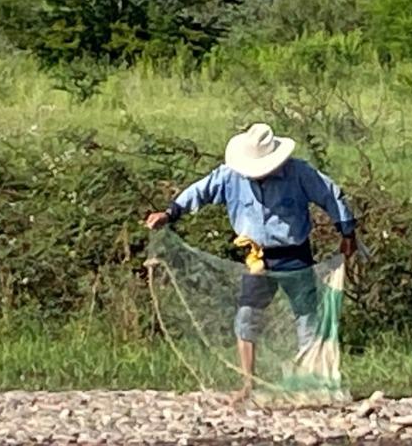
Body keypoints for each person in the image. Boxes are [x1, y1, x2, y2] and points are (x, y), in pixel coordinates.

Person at [146, 124, 358, 397]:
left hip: (295, 256)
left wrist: (347, 231)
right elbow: (199, 191)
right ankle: (248, 383)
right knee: (246, 318)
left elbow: (330, 194)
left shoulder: (298, 173)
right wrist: (169, 213)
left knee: (307, 318)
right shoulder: (230, 176)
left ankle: (311, 381)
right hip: (257, 258)